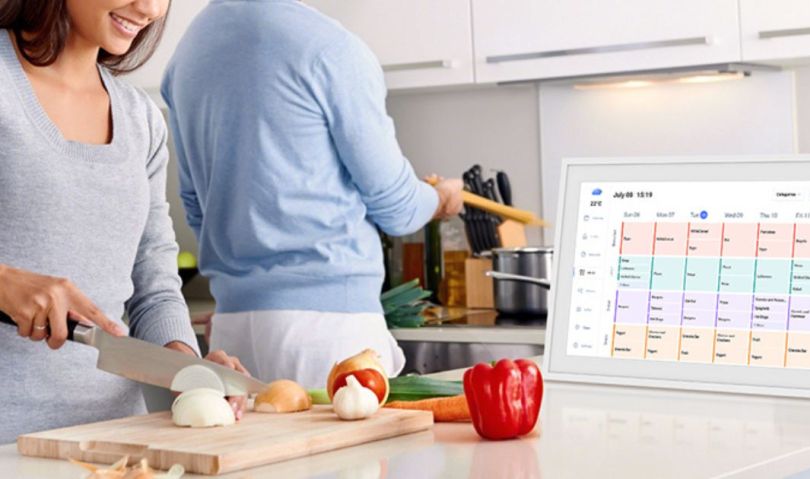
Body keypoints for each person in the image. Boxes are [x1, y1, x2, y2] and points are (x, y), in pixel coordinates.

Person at [162, 0, 464, 388]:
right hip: (330, 333)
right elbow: (398, 208)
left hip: (232, 332)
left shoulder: (187, 53)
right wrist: (440, 197)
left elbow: (196, 205)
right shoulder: (330, 49)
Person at [0, 0, 248, 444]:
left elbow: (153, 285)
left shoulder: (141, 119)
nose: (149, 8)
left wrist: (188, 370)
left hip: (114, 446)